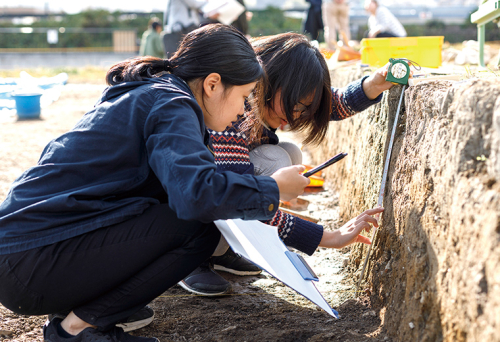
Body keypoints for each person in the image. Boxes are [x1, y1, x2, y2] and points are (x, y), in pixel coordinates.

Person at [0, 24, 314, 342]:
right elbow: (198, 196)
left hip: (25, 255)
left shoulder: (158, 91)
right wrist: (272, 188)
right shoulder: (172, 105)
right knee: (200, 226)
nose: (241, 113)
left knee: (179, 207)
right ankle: (78, 330)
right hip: (31, 263)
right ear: (213, 84)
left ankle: (85, 312)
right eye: (243, 97)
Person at [179, 32, 390, 296]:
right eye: (294, 105)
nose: (294, 118)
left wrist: (372, 85)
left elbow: (328, 104)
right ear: (272, 80)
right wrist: (327, 237)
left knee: (288, 154)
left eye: (303, 110)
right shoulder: (230, 112)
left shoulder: (253, 90)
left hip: (215, 193)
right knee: (277, 162)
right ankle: (192, 258)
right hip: (185, 209)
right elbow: (241, 200)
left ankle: (223, 249)